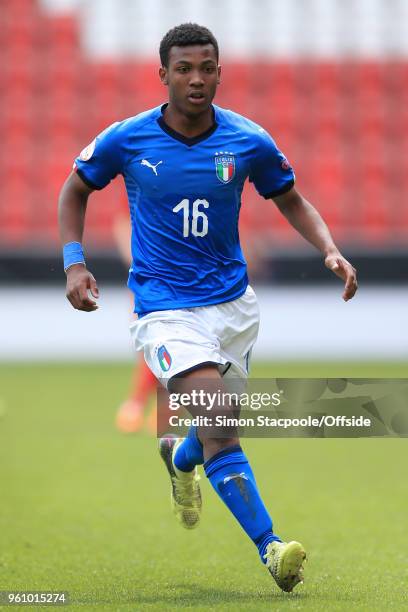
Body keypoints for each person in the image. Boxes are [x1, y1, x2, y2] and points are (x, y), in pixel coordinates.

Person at [58, 23, 358, 593]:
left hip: (234, 309)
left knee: (216, 426)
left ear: (220, 71)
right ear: (163, 74)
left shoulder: (248, 141)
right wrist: (75, 262)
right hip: (164, 308)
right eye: (185, 69)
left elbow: (290, 198)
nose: (197, 79)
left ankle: (180, 458)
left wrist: (330, 249)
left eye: (207, 68)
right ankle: (272, 548)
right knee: (221, 418)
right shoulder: (128, 139)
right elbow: (74, 189)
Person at [112, 206, 158, 434]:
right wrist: (140, 262)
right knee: (151, 340)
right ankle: (140, 404)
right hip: (152, 278)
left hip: (182, 278)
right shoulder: (143, 178)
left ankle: (140, 404)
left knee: (170, 342)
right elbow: (122, 224)